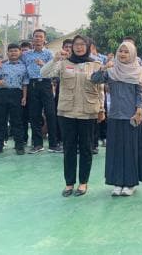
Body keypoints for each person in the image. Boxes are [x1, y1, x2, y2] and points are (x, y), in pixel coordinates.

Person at [41, 35, 105, 197]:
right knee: (69, 148)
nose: (79, 47)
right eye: (76, 44)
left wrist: (101, 109)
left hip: (88, 111)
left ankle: (83, 183)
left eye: (83, 44)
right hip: (67, 112)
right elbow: (44, 73)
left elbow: (100, 89)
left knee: (86, 148)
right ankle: (69, 183)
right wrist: (54, 59)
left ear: (88, 46)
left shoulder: (96, 65)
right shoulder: (63, 63)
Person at [92, 41, 142, 196]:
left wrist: (139, 109)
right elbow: (94, 79)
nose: (122, 54)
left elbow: (140, 92)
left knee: (130, 150)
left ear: (132, 54)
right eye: (120, 51)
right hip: (115, 115)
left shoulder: (138, 71)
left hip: (131, 115)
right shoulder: (111, 71)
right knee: (115, 150)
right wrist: (104, 67)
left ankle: (130, 184)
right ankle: (117, 182)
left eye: (126, 52)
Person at [22, 29, 61, 154]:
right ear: (32, 39)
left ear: (45, 39)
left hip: (46, 84)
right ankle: (37, 144)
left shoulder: (50, 54)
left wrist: (43, 64)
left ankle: (53, 144)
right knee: (34, 115)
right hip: (32, 85)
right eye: (35, 37)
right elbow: (15, 59)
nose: (38, 39)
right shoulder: (26, 54)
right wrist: (0, 61)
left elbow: (56, 68)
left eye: (40, 37)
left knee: (50, 114)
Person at [0, 43, 28, 156]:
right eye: (11, 51)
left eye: (15, 51)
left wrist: (24, 97)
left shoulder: (24, 66)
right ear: (7, 53)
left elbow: (24, 83)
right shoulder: (1, 65)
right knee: (0, 122)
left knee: (17, 122)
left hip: (17, 94)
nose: (13, 53)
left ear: (20, 52)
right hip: (1, 94)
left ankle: (19, 146)